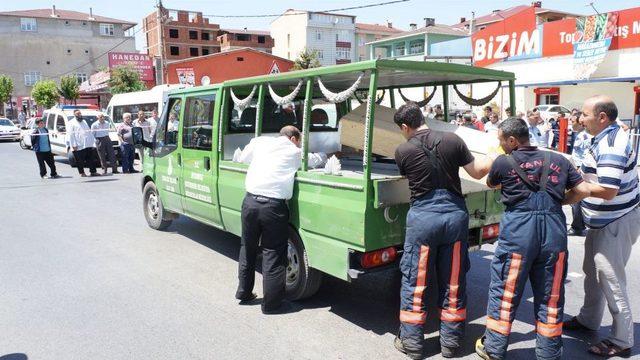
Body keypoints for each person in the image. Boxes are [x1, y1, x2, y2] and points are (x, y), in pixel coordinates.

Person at [475, 118, 589, 360]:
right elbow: (583, 190)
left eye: (501, 140)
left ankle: (493, 349)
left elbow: (490, 183)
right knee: (551, 294)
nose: (500, 144)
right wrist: (561, 202)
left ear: (512, 140)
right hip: (553, 232)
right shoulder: (559, 159)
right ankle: (548, 353)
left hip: (518, 233)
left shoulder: (503, 162)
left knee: (504, 291)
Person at [392, 102, 495, 359]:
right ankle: (450, 345)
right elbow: (477, 171)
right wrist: (495, 155)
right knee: (453, 278)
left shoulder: (403, 151)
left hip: (423, 219)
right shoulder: (453, 140)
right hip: (454, 217)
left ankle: (413, 345)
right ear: (423, 117)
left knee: (416, 280)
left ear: (405, 127)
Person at [564, 95, 640, 358]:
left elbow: (607, 190)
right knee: (592, 272)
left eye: (584, 114)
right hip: (603, 220)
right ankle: (588, 320)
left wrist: (575, 191)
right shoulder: (601, 138)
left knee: (610, 279)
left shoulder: (611, 144)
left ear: (602, 117)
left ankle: (621, 339)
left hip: (615, 221)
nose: (580, 118)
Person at [235, 126, 320, 315]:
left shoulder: (260, 142)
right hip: (272, 207)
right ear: (293, 139)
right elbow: (314, 161)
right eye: (299, 141)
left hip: (249, 202)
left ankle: (244, 292)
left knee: (247, 248)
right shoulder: (293, 151)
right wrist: (327, 154)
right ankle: (272, 305)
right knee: (273, 254)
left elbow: (242, 158)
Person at [568, 112, 589, 236]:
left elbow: (583, 156)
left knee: (576, 198)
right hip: (578, 168)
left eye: (574, 121)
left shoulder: (584, 136)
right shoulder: (582, 134)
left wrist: (577, 169)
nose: (572, 123)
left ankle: (577, 226)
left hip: (580, 169)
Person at [67, 109, 99, 177]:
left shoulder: (84, 121)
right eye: (77, 114)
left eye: (80, 113)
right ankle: (82, 173)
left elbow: (88, 132)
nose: (79, 115)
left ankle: (93, 172)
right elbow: (71, 135)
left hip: (87, 144)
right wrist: (73, 145)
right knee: (80, 161)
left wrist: (93, 141)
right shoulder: (71, 123)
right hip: (78, 145)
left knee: (91, 159)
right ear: (74, 115)